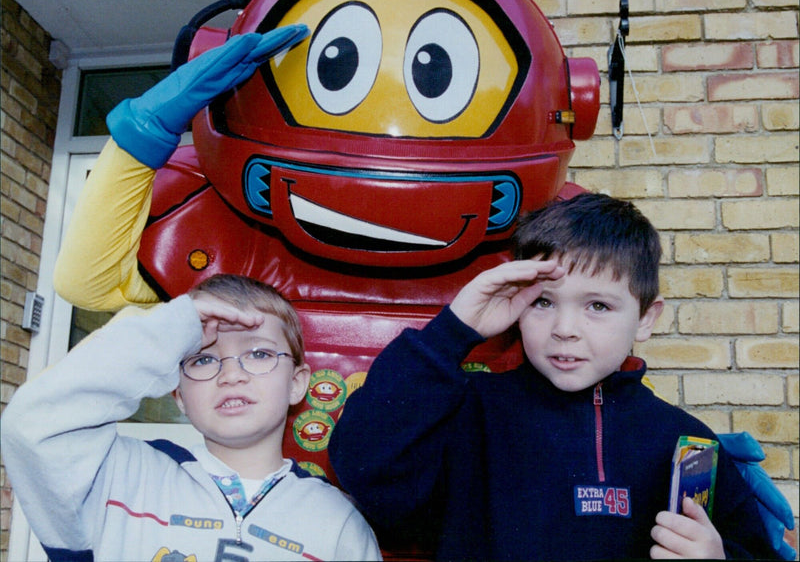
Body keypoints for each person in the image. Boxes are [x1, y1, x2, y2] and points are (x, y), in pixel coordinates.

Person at [328, 193, 779, 560]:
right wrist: (452, 330)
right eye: (543, 302)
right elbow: (362, 468)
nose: (565, 329)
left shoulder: (685, 442)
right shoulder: (468, 411)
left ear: (645, 318)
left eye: (597, 306)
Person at [2, 274, 381, 561]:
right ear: (179, 395)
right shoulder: (116, 477)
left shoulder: (339, 524)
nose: (231, 374)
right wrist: (170, 330)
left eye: (260, 354)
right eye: (203, 358)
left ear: (297, 383)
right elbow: (32, 424)